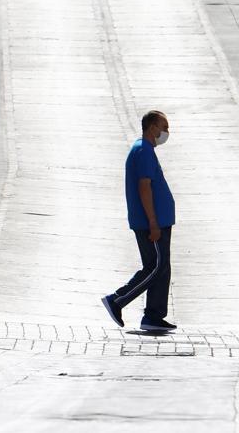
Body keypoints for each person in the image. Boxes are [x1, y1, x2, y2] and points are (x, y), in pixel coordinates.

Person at [100, 110, 177, 332]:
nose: (166, 132)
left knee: (161, 267)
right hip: (151, 222)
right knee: (156, 266)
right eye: (164, 127)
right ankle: (117, 300)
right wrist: (153, 221)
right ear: (152, 127)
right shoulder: (143, 150)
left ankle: (153, 315)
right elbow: (144, 188)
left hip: (158, 220)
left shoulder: (146, 150)